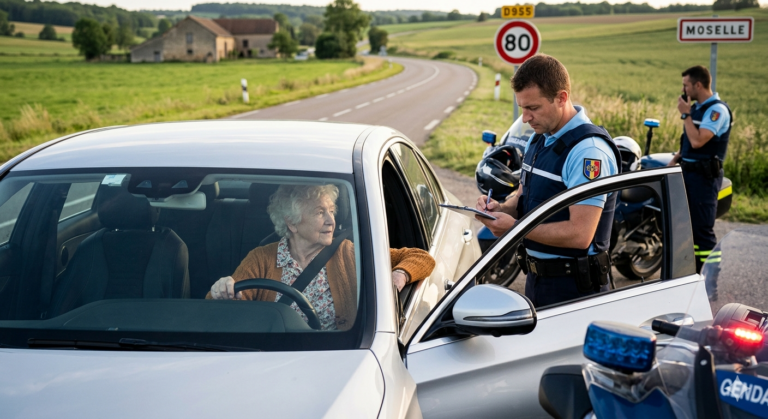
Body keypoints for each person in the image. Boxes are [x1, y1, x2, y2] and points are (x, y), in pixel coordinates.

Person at [475, 54, 621, 308]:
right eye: (522, 108)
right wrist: (500, 208)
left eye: (533, 108)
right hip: (537, 279)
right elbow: (524, 195)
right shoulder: (540, 138)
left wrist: (515, 229)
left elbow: (580, 234)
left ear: (561, 98)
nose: (525, 118)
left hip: (575, 289)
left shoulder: (588, 152)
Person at [208, 184, 435, 331]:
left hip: (338, 357)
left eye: (331, 211)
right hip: (273, 357)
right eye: (319, 212)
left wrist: (399, 274)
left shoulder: (347, 252)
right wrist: (222, 291)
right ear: (292, 223)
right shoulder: (261, 259)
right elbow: (223, 312)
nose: (331, 221)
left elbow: (421, 257)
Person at [668, 65, 731, 273]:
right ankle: (692, 275)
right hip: (688, 173)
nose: (683, 90)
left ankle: (710, 280)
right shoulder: (696, 108)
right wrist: (675, 161)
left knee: (702, 231)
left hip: (704, 178)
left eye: (686, 85)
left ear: (698, 85)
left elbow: (697, 141)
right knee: (687, 229)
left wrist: (685, 115)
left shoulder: (716, 111)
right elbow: (687, 143)